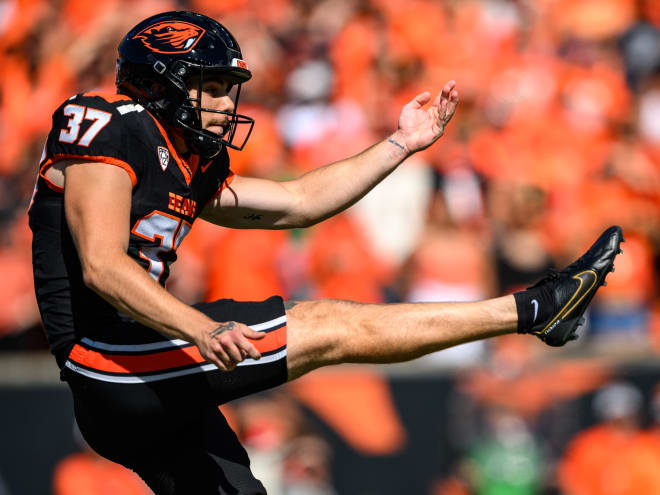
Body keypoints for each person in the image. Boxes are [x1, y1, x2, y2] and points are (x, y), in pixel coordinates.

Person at [28, 10, 623, 495]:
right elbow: (103, 266)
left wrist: (401, 144)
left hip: (148, 377)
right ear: (161, 83)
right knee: (325, 325)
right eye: (211, 87)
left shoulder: (186, 160)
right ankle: (533, 309)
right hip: (107, 361)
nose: (227, 105)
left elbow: (298, 201)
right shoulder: (111, 125)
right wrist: (198, 327)